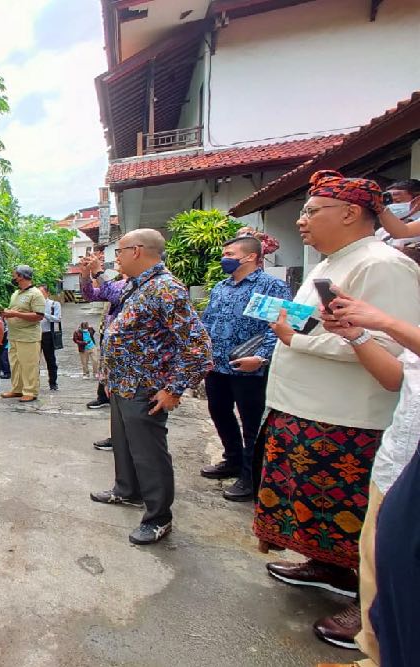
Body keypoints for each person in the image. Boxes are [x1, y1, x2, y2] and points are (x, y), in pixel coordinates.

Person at [254, 170, 420, 649]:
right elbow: (316, 327)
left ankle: (362, 604)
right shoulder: (332, 264)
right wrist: (291, 327)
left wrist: (294, 339)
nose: (301, 220)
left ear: (350, 213)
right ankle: (325, 566)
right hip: (309, 408)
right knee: (317, 503)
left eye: (311, 210)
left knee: (351, 512)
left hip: (347, 416)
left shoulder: (382, 264)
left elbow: (391, 347)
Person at [89, 229, 212, 545]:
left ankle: (159, 517)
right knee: (124, 444)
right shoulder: (136, 285)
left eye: (120, 251)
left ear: (137, 250)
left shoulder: (166, 289)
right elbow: (99, 293)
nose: (116, 257)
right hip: (122, 382)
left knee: (149, 454)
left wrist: (174, 388)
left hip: (146, 386)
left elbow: (197, 345)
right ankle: (127, 490)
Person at [318, 285, 420, 661]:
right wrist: (357, 334)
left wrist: (387, 322)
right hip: (399, 458)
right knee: (381, 569)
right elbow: (396, 378)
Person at [199, 235, 291, 501]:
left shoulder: (271, 286)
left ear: (250, 256)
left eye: (230, 253)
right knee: (219, 412)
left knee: (251, 423)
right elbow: (209, 322)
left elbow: (278, 327)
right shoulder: (221, 288)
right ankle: (233, 460)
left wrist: (261, 358)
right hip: (218, 364)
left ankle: (251, 477)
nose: (224, 258)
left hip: (250, 367)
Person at [78, 252, 127, 414]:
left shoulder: (142, 285)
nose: (117, 259)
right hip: (111, 343)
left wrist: (99, 272)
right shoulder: (121, 283)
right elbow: (90, 294)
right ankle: (118, 437)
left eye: (121, 253)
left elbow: (115, 294)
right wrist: (85, 275)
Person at [0, 265, 46, 403]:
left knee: (29, 364)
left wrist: (14, 313)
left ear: (21, 276)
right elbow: (15, 310)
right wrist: (7, 313)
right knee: (15, 364)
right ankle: (17, 389)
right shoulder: (16, 293)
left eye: (15, 275)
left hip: (28, 336)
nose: (13, 278)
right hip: (13, 335)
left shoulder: (36, 294)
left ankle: (30, 391)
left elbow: (39, 316)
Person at [375, 179, 420, 247]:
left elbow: (402, 232)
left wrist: (380, 207)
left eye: (398, 201)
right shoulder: (381, 232)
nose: (390, 206)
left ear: (417, 201)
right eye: (388, 203)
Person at [38, 284, 62, 391]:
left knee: (50, 359)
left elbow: (57, 318)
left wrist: (45, 315)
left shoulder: (54, 304)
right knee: (34, 360)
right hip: (35, 334)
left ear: (47, 293)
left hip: (47, 334)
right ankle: (34, 383)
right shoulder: (33, 305)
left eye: (41, 293)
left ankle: (53, 382)